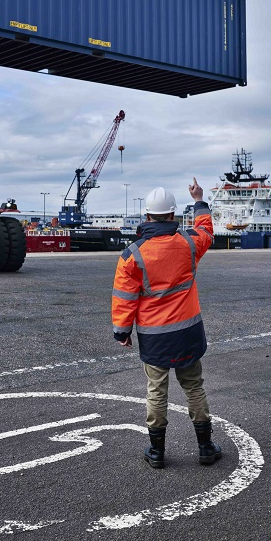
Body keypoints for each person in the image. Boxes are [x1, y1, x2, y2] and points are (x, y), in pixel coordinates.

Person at [111, 178, 220, 469]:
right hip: (187, 333)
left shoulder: (132, 254)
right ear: (172, 215)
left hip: (155, 336)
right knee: (194, 387)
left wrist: (122, 331)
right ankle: (206, 447)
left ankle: (157, 452)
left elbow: (125, 297)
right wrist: (199, 200)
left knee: (156, 391)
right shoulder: (188, 243)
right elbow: (206, 231)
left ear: (147, 216)